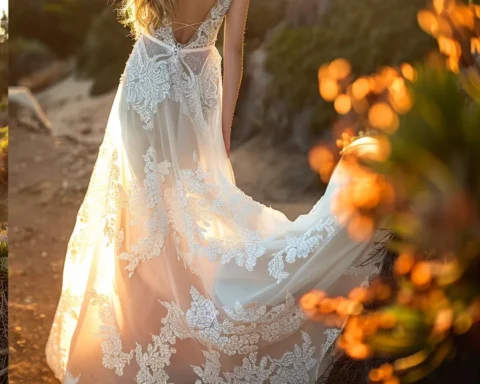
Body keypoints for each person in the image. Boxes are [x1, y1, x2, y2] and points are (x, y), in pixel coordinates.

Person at [45, 0, 383, 382]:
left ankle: (140, 336)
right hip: (196, 94)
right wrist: (223, 129)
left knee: (141, 214)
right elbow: (234, 53)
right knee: (183, 212)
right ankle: (165, 330)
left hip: (145, 90)